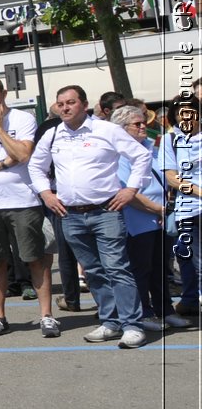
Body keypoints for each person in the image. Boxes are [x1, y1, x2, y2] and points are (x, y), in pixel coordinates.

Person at [28, 85, 153, 347]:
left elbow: (141, 155)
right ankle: (110, 321)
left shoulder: (106, 130)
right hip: (70, 215)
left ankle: (132, 324)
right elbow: (35, 167)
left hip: (105, 211)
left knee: (117, 268)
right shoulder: (52, 135)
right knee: (94, 272)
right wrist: (46, 194)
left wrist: (130, 189)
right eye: (60, 103)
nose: (65, 107)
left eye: (70, 102)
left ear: (84, 104)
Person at [0, 76, 57, 339]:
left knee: (36, 260)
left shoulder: (23, 119)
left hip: (24, 201)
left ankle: (47, 316)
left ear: (3, 93)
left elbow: (24, 154)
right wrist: (4, 163)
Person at [109, 105, 170, 333]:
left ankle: (166, 310)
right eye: (138, 123)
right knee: (141, 269)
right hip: (138, 221)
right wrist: (158, 210)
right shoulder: (120, 155)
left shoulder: (150, 148)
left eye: (143, 121)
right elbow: (128, 192)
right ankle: (144, 312)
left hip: (160, 218)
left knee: (161, 268)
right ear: (123, 129)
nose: (144, 125)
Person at [156, 94, 202, 321]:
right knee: (185, 256)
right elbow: (172, 178)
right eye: (179, 114)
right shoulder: (170, 139)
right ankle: (191, 299)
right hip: (187, 206)